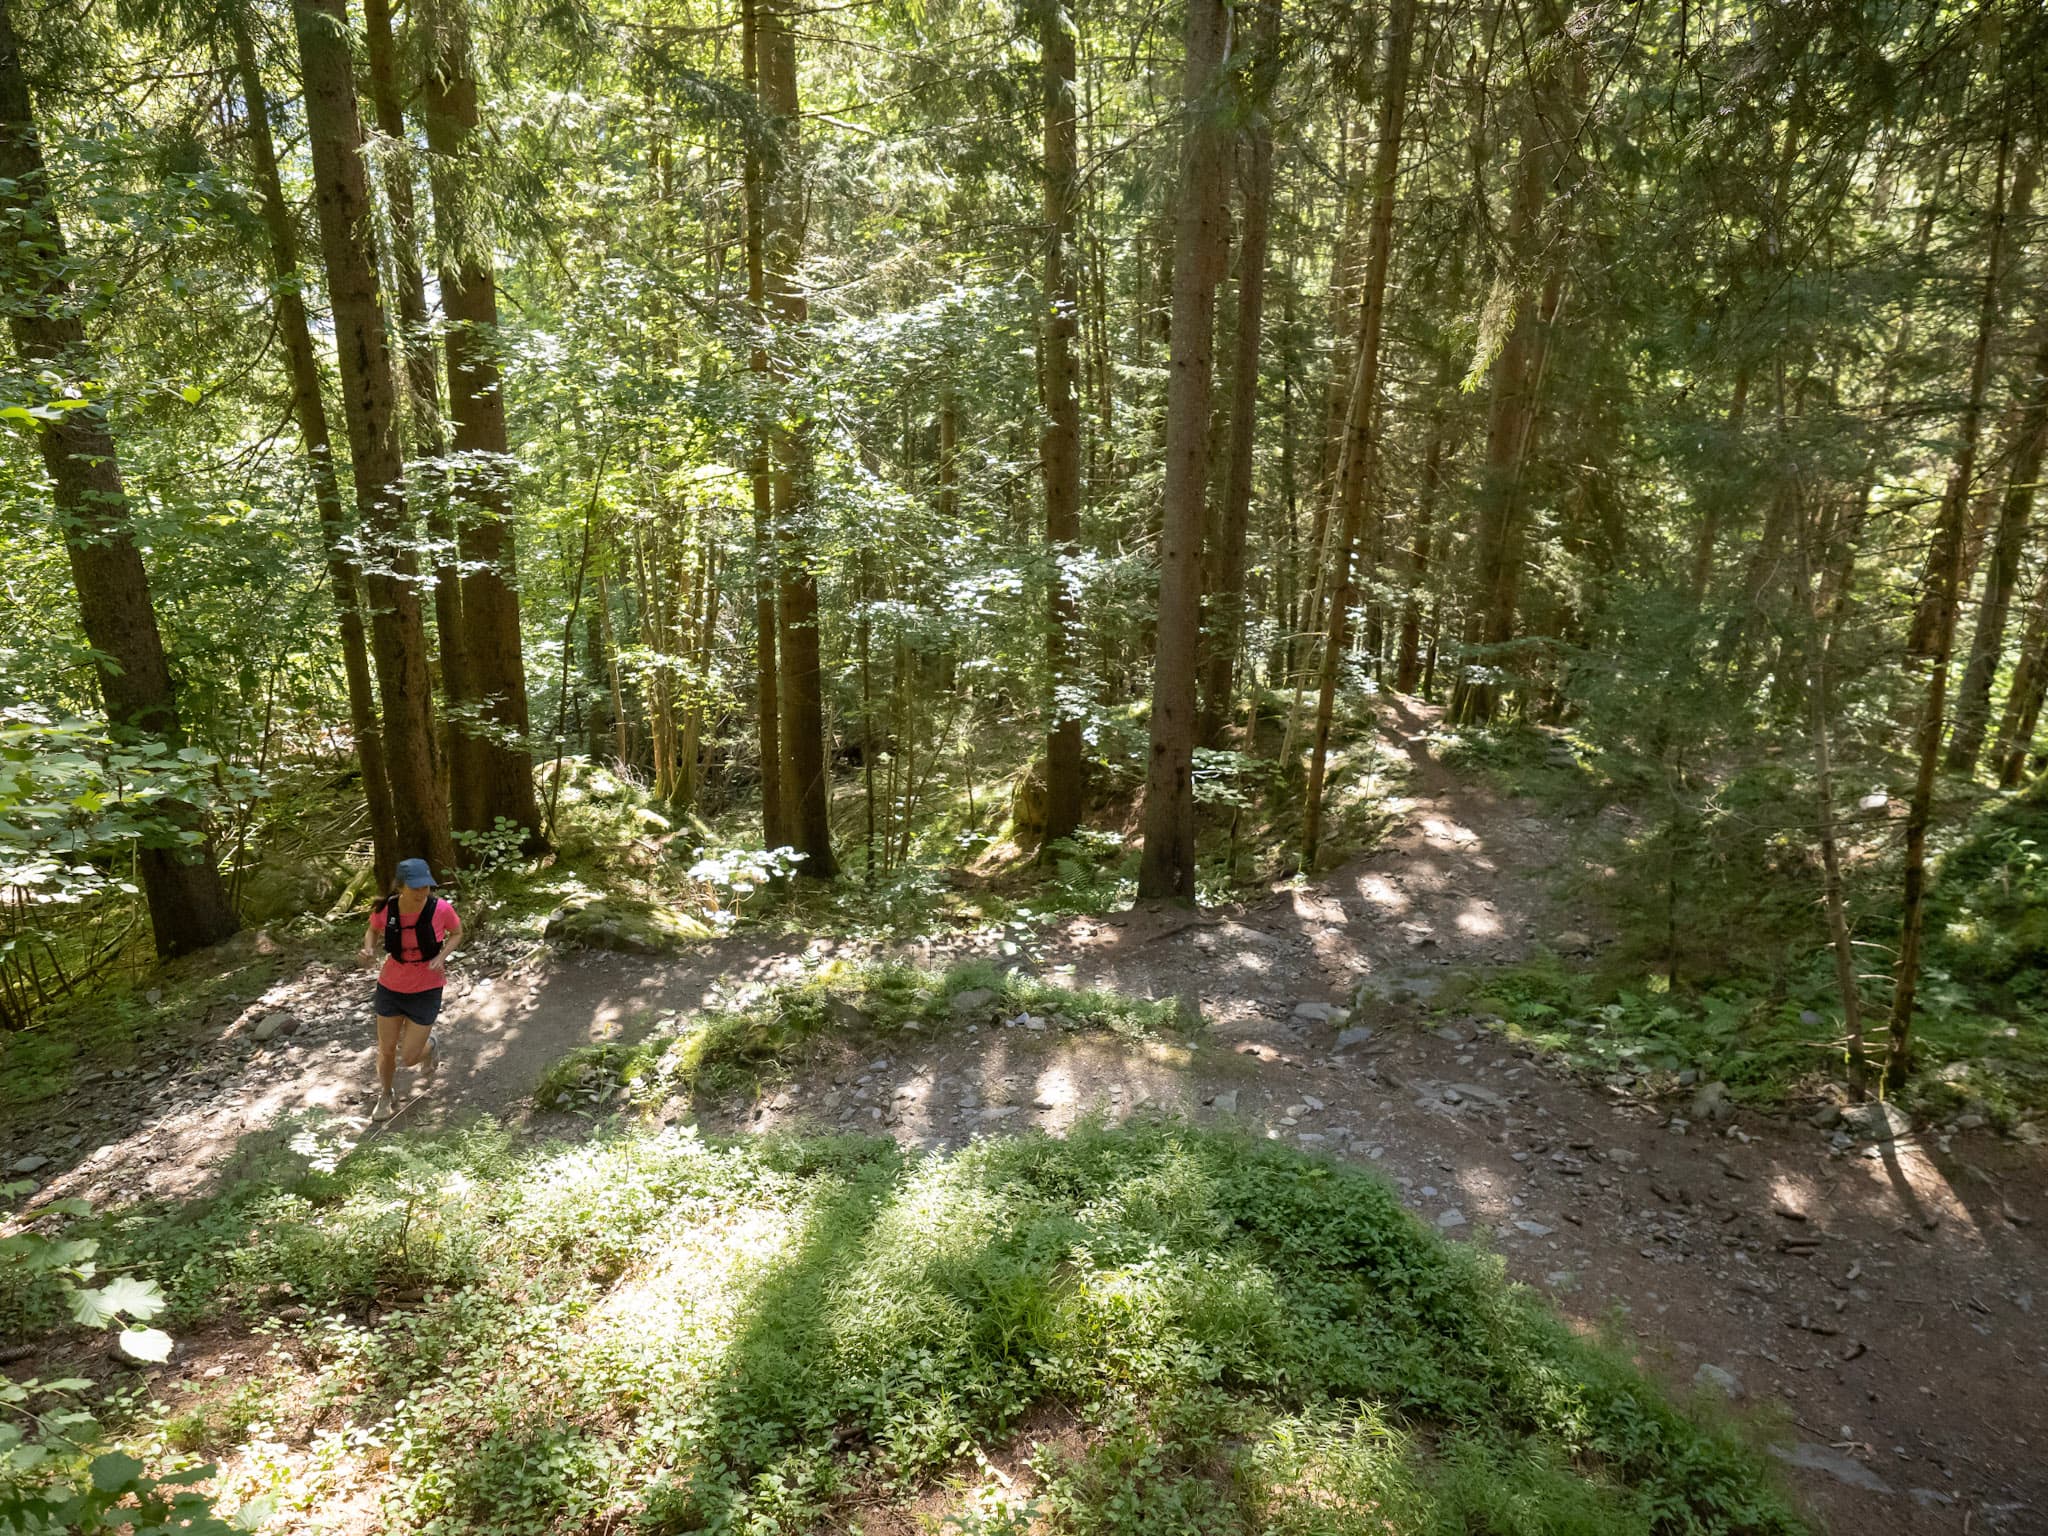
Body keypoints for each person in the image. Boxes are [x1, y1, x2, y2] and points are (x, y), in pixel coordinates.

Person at [358, 857, 462, 1121]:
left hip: (426, 989)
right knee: (386, 1047)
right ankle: (385, 1093)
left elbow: (457, 933)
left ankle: (431, 1044)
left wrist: (442, 957)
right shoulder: (386, 910)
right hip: (391, 986)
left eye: (426, 886)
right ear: (401, 887)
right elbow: (372, 929)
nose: (422, 892)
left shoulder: (441, 909)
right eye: (415, 887)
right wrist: (368, 948)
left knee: (409, 1057)